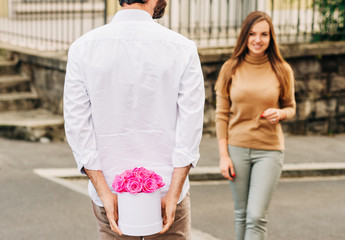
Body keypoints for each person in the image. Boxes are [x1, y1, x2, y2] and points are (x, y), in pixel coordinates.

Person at [63, 0, 205, 239]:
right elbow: (190, 128)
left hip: (110, 193)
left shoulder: (83, 48)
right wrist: (173, 192)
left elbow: (78, 127)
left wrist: (104, 192)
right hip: (168, 192)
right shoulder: (182, 48)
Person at [215, 11, 296, 240]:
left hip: (269, 150)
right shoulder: (230, 68)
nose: (258, 40)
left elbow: (291, 107)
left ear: (271, 38)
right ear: (244, 36)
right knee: (241, 214)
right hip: (237, 149)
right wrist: (224, 156)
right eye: (252, 34)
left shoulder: (282, 69)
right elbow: (221, 115)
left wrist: (280, 113)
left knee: (256, 216)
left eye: (264, 34)